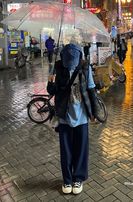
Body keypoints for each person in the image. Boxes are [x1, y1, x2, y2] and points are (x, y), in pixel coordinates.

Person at [47, 43, 98, 195]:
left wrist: (93, 111)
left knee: (80, 150)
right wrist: (51, 81)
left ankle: (78, 178)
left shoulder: (84, 67)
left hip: (81, 116)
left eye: (73, 60)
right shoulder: (56, 67)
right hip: (64, 115)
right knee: (66, 150)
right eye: (68, 60)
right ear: (63, 58)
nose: (70, 64)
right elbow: (50, 91)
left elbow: (91, 89)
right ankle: (67, 180)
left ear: (79, 57)